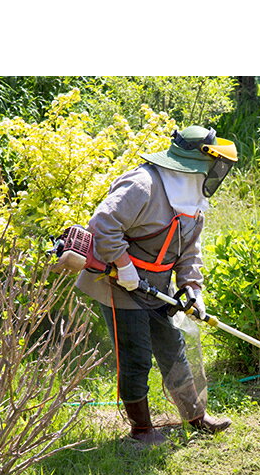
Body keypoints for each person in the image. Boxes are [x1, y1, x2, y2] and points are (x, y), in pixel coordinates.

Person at [75, 125, 238, 446]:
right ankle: (141, 431)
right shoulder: (143, 185)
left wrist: (192, 288)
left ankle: (196, 417)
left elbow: (190, 250)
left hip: (158, 287)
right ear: (196, 160)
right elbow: (102, 223)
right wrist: (123, 265)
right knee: (135, 356)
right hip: (120, 283)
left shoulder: (193, 196)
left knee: (173, 349)